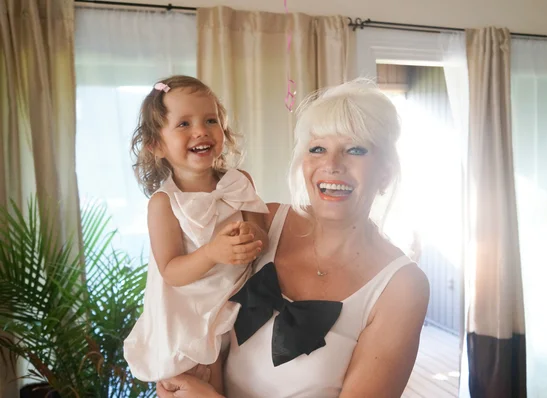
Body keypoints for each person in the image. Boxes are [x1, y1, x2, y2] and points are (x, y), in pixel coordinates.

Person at [156, 79, 430, 398]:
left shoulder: (402, 287)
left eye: (355, 149)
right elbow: (191, 300)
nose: (332, 165)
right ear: (304, 163)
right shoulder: (262, 223)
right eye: (318, 149)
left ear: (385, 172)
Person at [123, 75, 269, 394]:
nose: (200, 130)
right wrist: (212, 253)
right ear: (156, 145)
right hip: (186, 318)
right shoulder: (164, 203)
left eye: (210, 120)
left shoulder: (238, 181)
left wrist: (249, 234)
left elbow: (263, 234)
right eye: (184, 124)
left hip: (234, 305)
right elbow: (171, 272)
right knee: (202, 383)